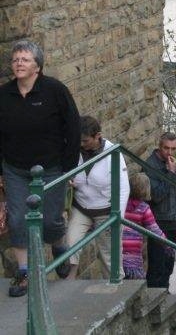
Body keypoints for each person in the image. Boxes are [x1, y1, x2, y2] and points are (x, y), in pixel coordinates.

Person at [0, 40, 81, 297]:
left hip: (51, 168)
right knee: (17, 219)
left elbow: (73, 127)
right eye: (15, 60)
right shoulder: (4, 95)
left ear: (37, 65)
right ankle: (24, 271)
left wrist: (68, 167)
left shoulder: (54, 90)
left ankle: (58, 244)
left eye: (24, 59)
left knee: (50, 220)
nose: (18, 64)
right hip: (15, 169)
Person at [65, 116, 130, 279]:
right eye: (79, 141)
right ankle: (68, 280)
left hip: (106, 210)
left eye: (85, 141)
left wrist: (118, 217)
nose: (81, 144)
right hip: (81, 207)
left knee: (109, 255)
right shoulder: (73, 149)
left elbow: (123, 188)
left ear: (98, 136)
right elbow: (65, 170)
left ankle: (116, 287)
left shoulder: (113, 153)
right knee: (70, 245)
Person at [144, 132, 176, 288]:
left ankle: (164, 293)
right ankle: (156, 293)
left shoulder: (172, 163)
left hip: (173, 220)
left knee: (168, 263)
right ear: (160, 147)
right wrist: (171, 174)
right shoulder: (151, 165)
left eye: (174, 149)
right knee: (157, 263)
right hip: (158, 220)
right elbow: (156, 195)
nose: (170, 152)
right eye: (167, 148)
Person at [123, 173, 170, 280]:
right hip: (133, 253)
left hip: (117, 249)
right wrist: (167, 245)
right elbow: (155, 230)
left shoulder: (121, 203)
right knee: (133, 282)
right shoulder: (144, 208)